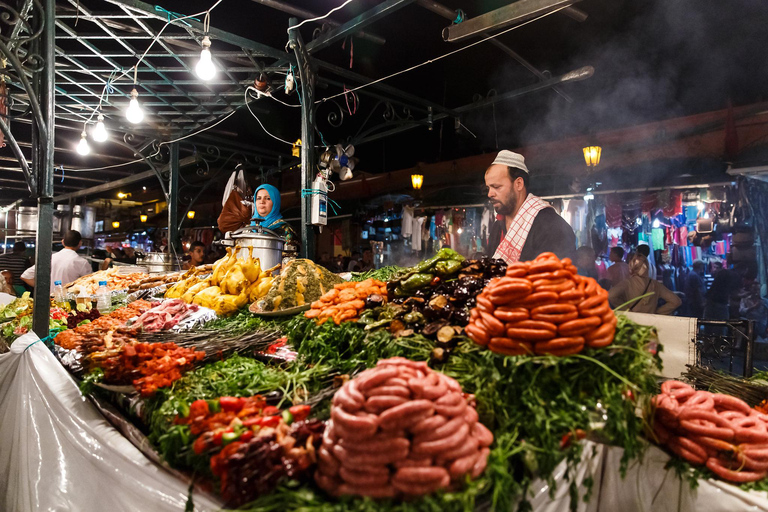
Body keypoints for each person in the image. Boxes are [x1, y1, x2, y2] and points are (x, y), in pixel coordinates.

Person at [484, 150, 575, 263]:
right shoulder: (497, 227)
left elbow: (556, 277)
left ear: (519, 184)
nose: (490, 194)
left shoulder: (552, 226)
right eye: (488, 188)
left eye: (496, 187)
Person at [21, 230, 92, 295]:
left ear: (62, 242)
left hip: (50, 302)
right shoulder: (82, 263)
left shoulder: (50, 259)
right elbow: (91, 284)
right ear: (80, 243)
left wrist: (44, 288)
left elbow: (25, 276)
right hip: (70, 304)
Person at [609, 254, 681, 315]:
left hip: (633, 322)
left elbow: (611, 295)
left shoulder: (627, 283)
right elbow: (676, 301)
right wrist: (657, 312)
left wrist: (626, 310)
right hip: (651, 323)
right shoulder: (655, 284)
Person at [251, 184, 299, 257]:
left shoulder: (285, 230)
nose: (262, 201)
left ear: (275, 202)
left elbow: (290, 261)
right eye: (258, 198)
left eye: (267, 198)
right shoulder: (248, 229)